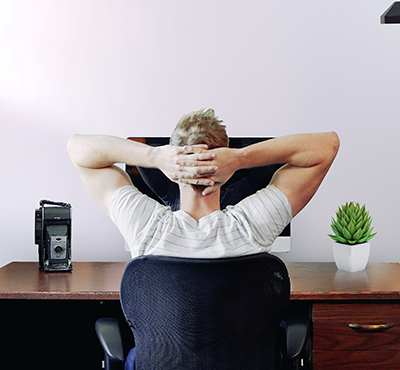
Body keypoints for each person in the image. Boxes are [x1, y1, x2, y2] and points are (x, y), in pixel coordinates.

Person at [67, 108, 340, 259]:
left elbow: (77, 149)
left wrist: (155, 156)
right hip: (240, 350)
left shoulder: (145, 228)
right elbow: (327, 146)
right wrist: (240, 158)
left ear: (173, 167)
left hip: (163, 351)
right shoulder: (252, 227)